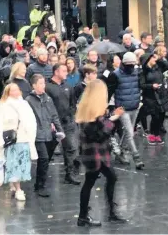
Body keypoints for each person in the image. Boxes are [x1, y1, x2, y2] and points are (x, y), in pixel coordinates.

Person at [76, 79, 127, 227]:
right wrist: (113, 120)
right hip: (93, 153)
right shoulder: (90, 110)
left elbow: (100, 125)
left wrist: (110, 117)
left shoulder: (93, 108)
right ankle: (83, 216)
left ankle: (109, 212)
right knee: (90, 182)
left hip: (99, 151)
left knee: (111, 177)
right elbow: (97, 133)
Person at [0, 83, 37, 201]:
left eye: (17, 89)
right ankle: (18, 189)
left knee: (22, 163)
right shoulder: (4, 105)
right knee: (14, 163)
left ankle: (14, 183)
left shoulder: (24, 104)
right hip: (12, 139)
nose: (16, 92)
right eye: (13, 90)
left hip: (24, 137)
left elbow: (31, 120)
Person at [26, 74, 64, 197]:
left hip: (48, 133)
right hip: (37, 134)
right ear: (34, 85)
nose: (43, 86)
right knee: (43, 158)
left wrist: (60, 130)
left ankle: (39, 183)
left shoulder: (47, 98)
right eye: (41, 83)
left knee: (46, 160)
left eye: (44, 83)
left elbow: (54, 115)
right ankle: (40, 186)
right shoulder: (29, 100)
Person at [107, 52, 145, 168]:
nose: (131, 67)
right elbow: (110, 91)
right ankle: (136, 157)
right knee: (129, 133)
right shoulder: (115, 75)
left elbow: (140, 86)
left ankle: (122, 151)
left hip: (134, 106)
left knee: (129, 132)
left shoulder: (137, 72)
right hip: (122, 108)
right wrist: (108, 106)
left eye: (133, 64)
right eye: (129, 64)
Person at [46, 63, 80, 185]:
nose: (66, 73)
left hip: (68, 122)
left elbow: (72, 103)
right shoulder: (47, 87)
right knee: (48, 151)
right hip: (53, 123)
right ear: (56, 72)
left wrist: (72, 116)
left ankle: (70, 174)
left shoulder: (68, 86)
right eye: (64, 71)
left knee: (71, 148)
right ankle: (42, 175)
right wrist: (50, 121)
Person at [140, 53, 168, 145]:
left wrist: (158, 59)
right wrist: (151, 86)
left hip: (161, 94)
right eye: (153, 58)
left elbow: (167, 66)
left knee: (161, 115)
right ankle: (152, 135)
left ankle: (157, 134)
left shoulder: (158, 67)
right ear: (148, 59)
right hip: (150, 96)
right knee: (155, 116)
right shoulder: (144, 71)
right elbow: (141, 84)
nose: (155, 59)